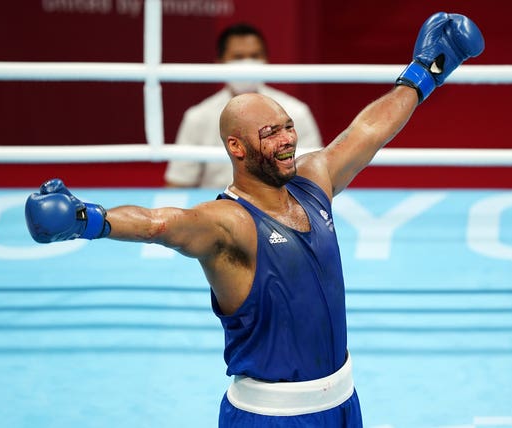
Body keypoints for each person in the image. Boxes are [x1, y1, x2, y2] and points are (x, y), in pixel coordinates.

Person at [25, 12, 484, 427]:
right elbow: (159, 222)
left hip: (344, 403)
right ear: (236, 149)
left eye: (287, 126)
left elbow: (369, 130)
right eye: (271, 133)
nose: (287, 140)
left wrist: (425, 72)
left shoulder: (313, 178)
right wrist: (88, 218)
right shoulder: (228, 223)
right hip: (269, 418)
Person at [164, 22, 322, 188]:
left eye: (254, 56)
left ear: (266, 60)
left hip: (282, 208)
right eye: (238, 57)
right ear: (220, 62)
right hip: (216, 208)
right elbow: (179, 184)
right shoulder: (197, 117)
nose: (247, 64)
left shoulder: (297, 112)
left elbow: (315, 177)